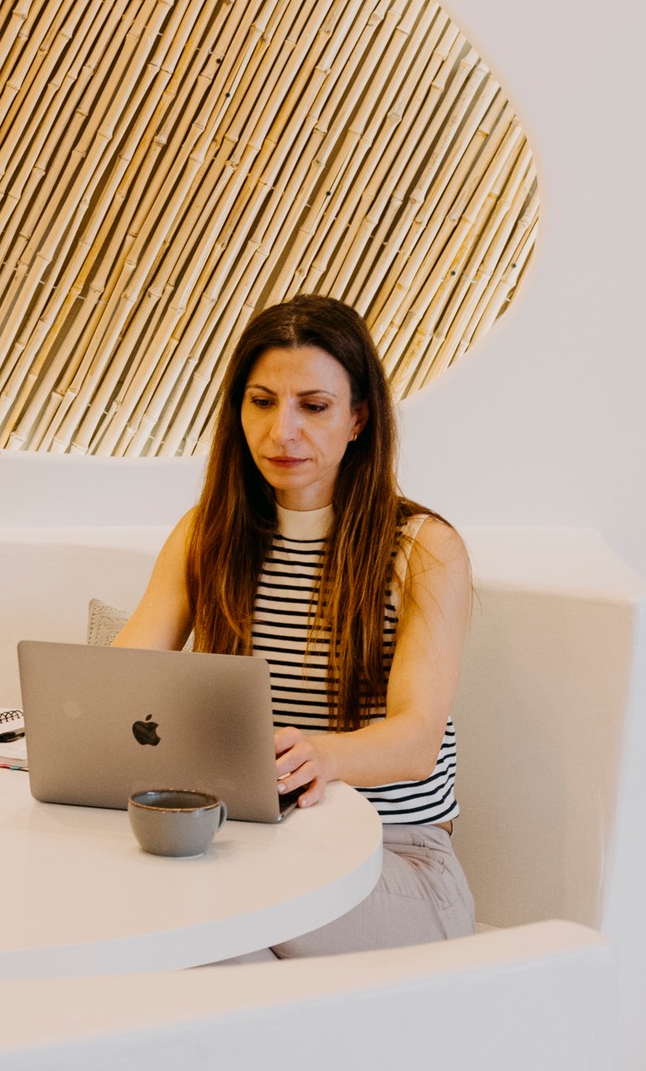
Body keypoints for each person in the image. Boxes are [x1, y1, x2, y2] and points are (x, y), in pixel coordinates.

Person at [113, 293, 475, 956]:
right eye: (261, 402)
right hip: (254, 849)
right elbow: (123, 679)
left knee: (202, 930)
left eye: (313, 406)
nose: (282, 432)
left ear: (359, 418)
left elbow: (417, 739)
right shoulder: (205, 536)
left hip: (397, 864)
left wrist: (323, 754)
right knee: (190, 935)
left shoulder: (423, 549)